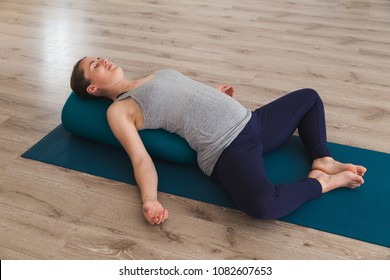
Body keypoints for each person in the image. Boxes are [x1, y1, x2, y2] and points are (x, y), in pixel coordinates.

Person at [70, 57, 367, 225]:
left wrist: (214, 94)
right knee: (263, 207)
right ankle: (324, 181)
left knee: (310, 98)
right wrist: (149, 200)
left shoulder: (149, 75)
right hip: (226, 148)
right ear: (94, 87)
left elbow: (183, 96)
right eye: (95, 64)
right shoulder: (119, 109)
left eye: (100, 57)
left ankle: (322, 159)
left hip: (252, 122)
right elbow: (140, 158)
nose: (104, 59)